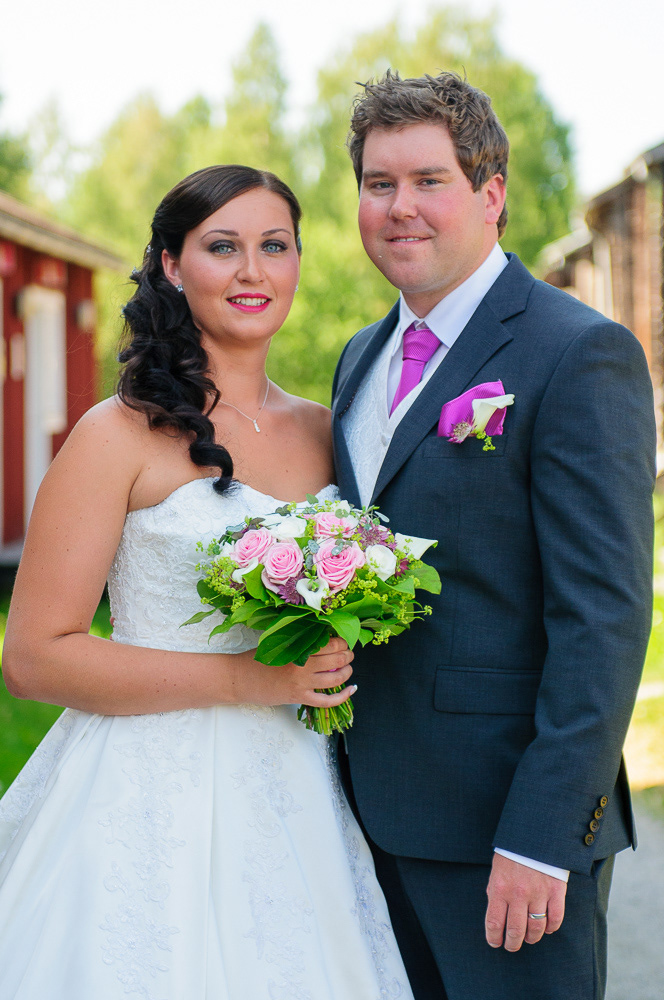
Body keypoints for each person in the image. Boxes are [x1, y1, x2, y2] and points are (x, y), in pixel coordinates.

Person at [0, 165, 415, 999]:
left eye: (275, 246)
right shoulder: (116, 434)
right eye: (223, 247)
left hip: (299, 791)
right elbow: (34, 656)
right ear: (170, 264)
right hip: (147, 796)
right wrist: (241, 679)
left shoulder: (329, 430)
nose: (252, 271)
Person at [331, 71, 655, 1000]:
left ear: (491, 194)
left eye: (428, 180)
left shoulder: (577, 352)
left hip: (504, 837)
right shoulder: (359, 357)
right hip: (358, 819)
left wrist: (542, 836)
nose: (400, 207)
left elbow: (603, 617)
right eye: (379, 184)